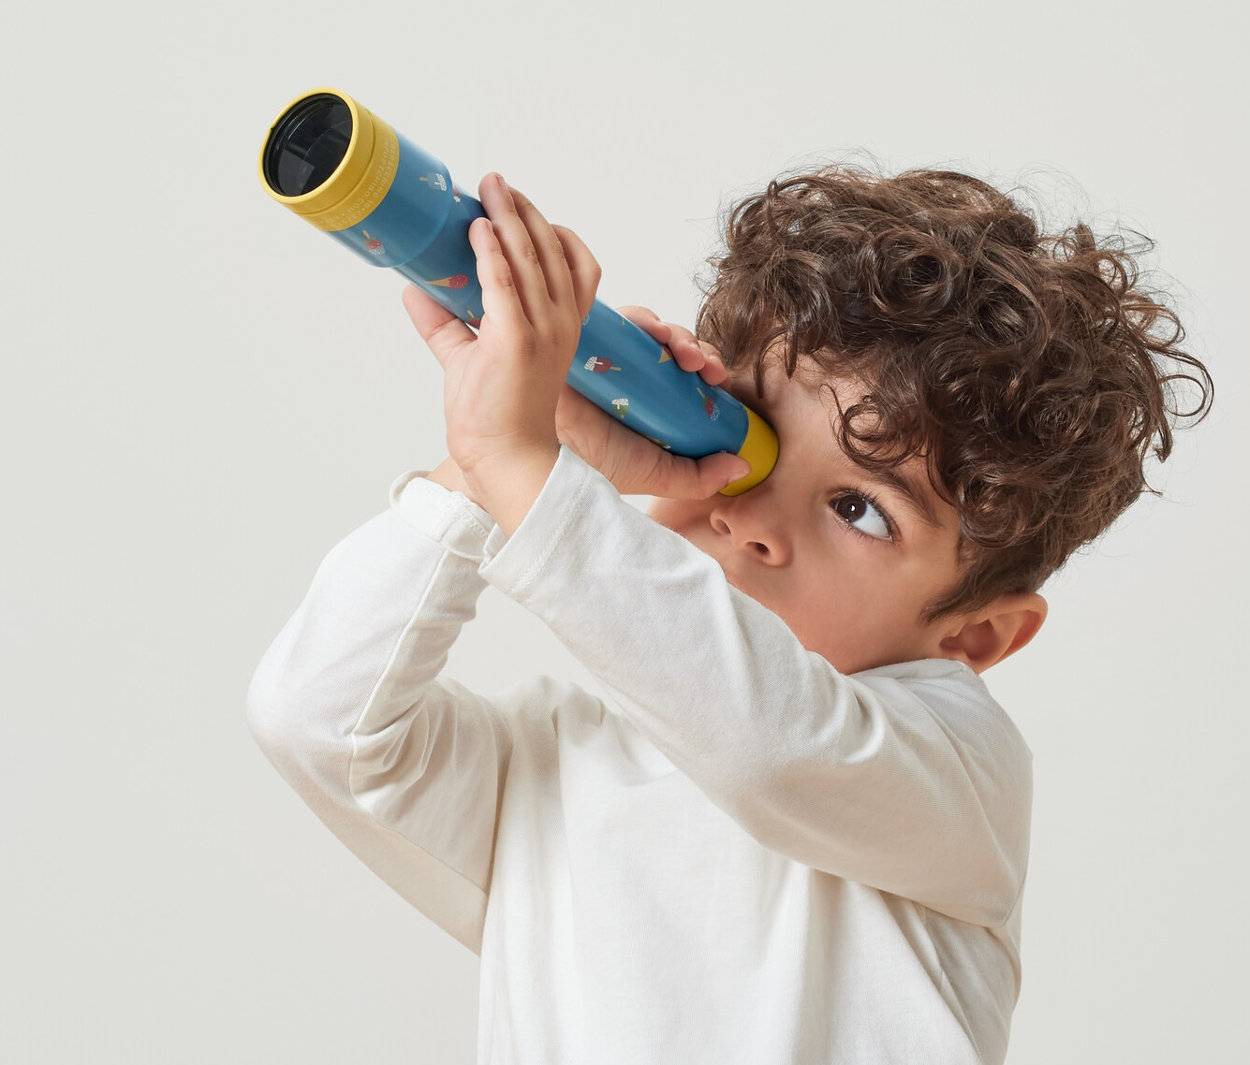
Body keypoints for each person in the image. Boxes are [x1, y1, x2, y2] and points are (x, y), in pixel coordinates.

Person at [247, 167, 1212, 1064]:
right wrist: (501, 462)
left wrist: (528, 475)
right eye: (738, 440)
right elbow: (321, 717)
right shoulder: (552, 768)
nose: (749, 518)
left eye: (859, 509)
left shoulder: (956, 769)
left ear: (972, 638)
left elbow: (769, 745)